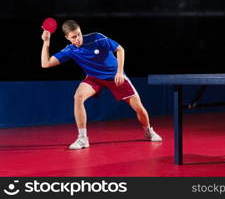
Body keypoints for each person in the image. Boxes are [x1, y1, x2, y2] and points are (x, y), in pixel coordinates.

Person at [41, 19, 162, 150]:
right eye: (73, 37)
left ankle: (148, 131)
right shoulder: (70, 50)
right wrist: (46, 43)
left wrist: (120, 72)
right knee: (78, 97)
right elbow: (45, 64)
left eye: (79, 34)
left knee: (139, 109)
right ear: (67, 38)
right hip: (94, 78)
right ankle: (82, 139)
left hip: (115, 77)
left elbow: (120, 49)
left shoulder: (96, 38)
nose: (78, 39)